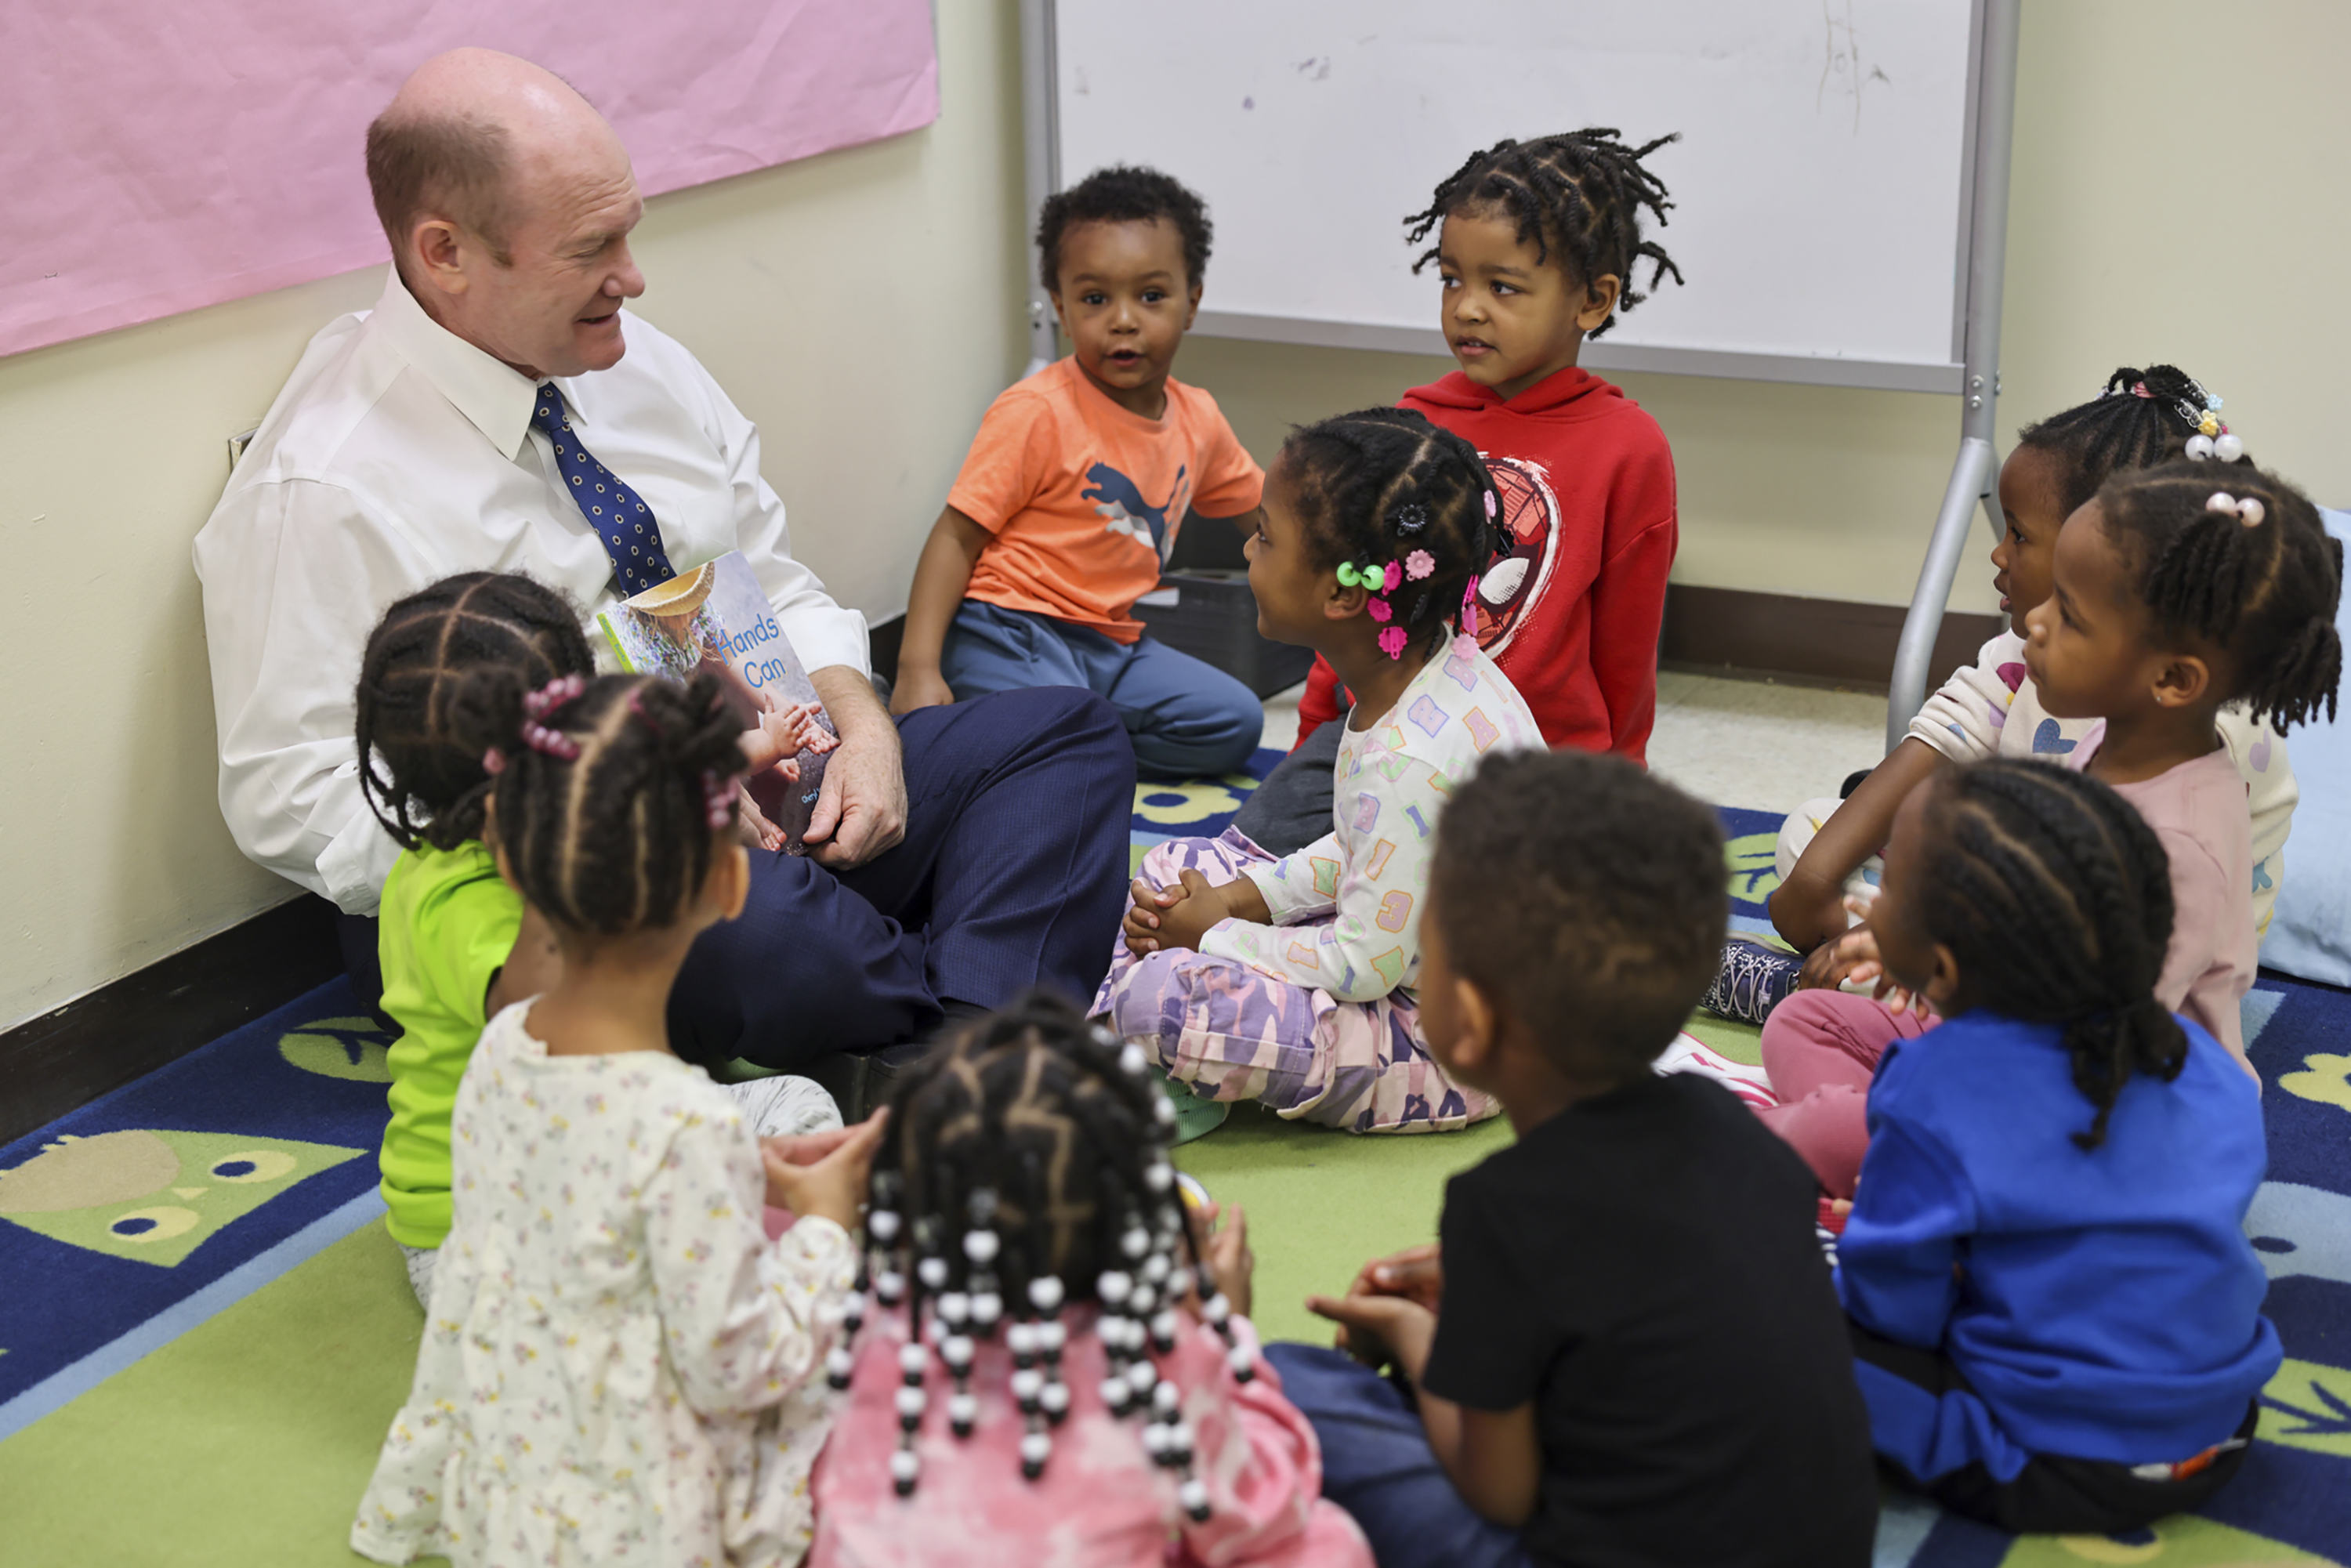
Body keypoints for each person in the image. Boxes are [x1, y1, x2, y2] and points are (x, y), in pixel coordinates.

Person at [191, 49, 1133, 1071]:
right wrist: (623, 828)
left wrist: (863, 729)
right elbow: (290, 797)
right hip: (560, 878)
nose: (632, 279)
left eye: (629, 233)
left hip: (773, 777)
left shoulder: (640, 360)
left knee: (1066, 738)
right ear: (444, 254)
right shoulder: (325, 484)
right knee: (756, 928)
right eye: (593, 248)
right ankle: (983, 1029)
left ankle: (946, 1057)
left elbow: (774, 579)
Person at [1263, 751, 1878, 1568]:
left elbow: (1500, 1491)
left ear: (1472, 1018)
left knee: (1290, 1382)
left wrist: (1420, 1342)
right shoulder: (1740, 1129)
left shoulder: (1505, 1206)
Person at [351, 667, 889, 1568]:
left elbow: (583, 1183)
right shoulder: (688, 1124)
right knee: (873, 1377)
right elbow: (741, 1363)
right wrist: (827, 1230)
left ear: (515, 865)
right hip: (636, 1525)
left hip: (511, 1486)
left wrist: (754, 1175)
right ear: (731, 884)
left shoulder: (503, 1046)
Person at [1759, 460, 2343, 1198]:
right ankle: (1892, 1149)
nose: (2035, 621)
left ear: (2173, 679)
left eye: (2069, 614)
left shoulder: (2184, 847)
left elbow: (2092, 1028)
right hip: (2016, 1047)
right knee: (1806, 1022)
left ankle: (1886, 1152)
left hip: (2118, 1118)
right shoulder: (2121, 741)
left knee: (1807, 1137)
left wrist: (1942, 971)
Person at [1706, 368, 2298, 1024]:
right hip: (2027, 898)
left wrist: (1933, 941)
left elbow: (2135, 937)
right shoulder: (2036, 646)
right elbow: (1942, 737)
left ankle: (1869, 1002)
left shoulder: (2201, 729)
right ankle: (1897, 992)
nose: (1998, 554)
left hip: (2138, 972)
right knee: (1813, 833)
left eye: (2019, 534)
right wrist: (1820, 880)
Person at [355, 572, 841, 1308]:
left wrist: (755, 748)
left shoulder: (563, 817)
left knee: (798, 1113)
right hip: (487, 1236)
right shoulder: (453, 898)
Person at [1837, 759, 2280, 1534]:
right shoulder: (2199, 1058)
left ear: (1938, 968)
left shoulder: (1933, 1090)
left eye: (1889, 885)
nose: (1875, 896)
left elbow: (1891, 1307)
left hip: (2061, 1460)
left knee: (1781, 1321)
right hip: (2222, 1427)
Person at [807, 990, 1371, 1568]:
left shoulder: (872, 1332)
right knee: (1327, 1542)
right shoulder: (1161, 1360)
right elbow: (1261, 1516)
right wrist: (1226, 1336)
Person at [1094, 409, 1542, 1134]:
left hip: (1456, 1047)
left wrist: (1215, 936)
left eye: (1266, 536)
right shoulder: (1442, 673)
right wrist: (1244, 899)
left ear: (1343, 595)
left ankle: (1136, 1026)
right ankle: (1132, 1004)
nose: (1247, 547)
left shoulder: (1407, 756)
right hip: (1422, 962)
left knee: (1171, 995)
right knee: (1176, 866)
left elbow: (1365, 962)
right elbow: (1367, 846)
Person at [1236, 129, 1682, 855]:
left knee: (1546, 939)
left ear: (1594, 302)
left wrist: (1618, 793)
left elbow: (1626, 656)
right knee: (1242, 872)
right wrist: (1317, 736)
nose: (1467, 308)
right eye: (1451, 280)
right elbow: (1343, 591)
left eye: (1501, 287)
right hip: (1377, 741)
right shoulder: (1411, 424)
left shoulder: (1629, 450)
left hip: (1528, 767)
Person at [889, 165, 1267, 780]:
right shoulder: (1036, 410)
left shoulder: (1199, 418)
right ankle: (1057, 747)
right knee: (1059, 733)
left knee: (1235, 721)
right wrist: (917, 669)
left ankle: (1076, 749)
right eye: (1095, 299)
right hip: (1010, 629)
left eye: (1151, 296)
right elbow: (956, 537)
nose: (1123, 320)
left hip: (1113, 641)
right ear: (1062, 308)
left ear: (1192, 302)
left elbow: (1265, 513)